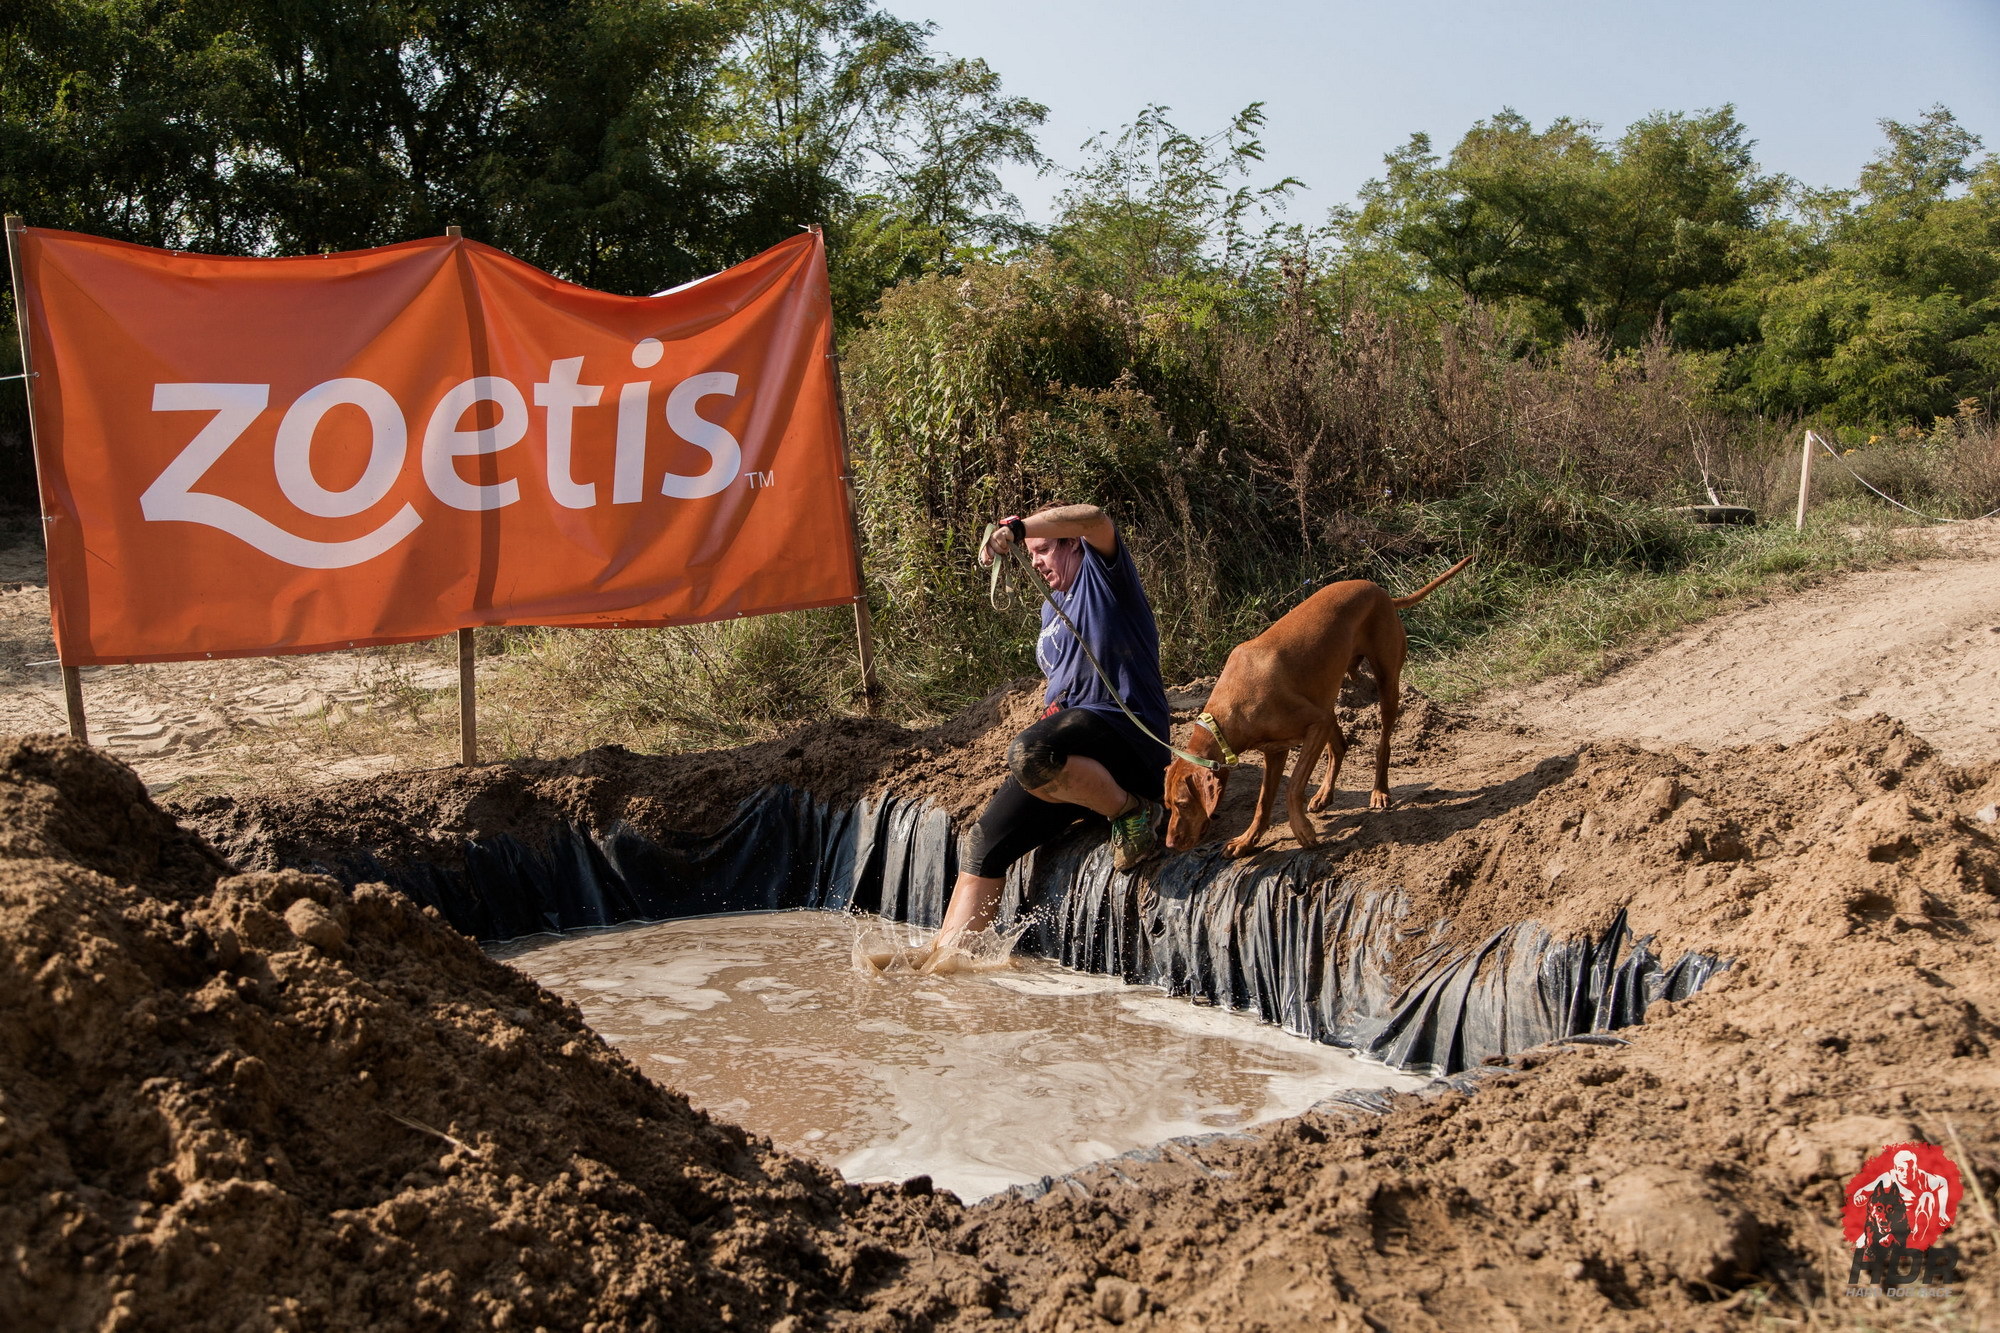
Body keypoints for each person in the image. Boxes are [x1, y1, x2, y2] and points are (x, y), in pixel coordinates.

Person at [931, 503, 1171, 951]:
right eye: (1032, 554)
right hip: (1076, 748)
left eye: (1042, 551)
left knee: (1030, 753)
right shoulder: (1051, 608)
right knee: (985, 842)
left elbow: (1096, 517)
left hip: (1126, 735)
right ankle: (948, 960)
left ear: (1073, 544)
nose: (1036, 562)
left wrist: (1017, 529)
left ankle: (1132, 810)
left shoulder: (1104, 577)